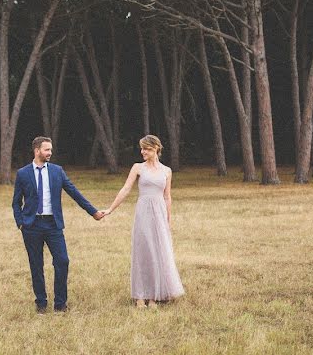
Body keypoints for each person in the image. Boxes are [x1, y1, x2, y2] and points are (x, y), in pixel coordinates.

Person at [12, 136, 104, 314]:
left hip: (53, 225)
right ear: (37, 150)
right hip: (31, 226)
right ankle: (41, 303)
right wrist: (21, 223)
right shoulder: (23, 173)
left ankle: (60, 305)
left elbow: (74, 193)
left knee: (62, 261)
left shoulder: (57, 171)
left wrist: (93, 212)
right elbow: (16, 202)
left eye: (51, 150)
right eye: (47, 150)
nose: (50, 153)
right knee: (36, 265)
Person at [100, 134, 185, 307]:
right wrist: (110, 209)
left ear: (156, 149)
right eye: (142, 148)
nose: (143, 152)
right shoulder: (138, 168)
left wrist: (168, 220)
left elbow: (167, 197)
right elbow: (125, 189)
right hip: (143, 212)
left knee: (158, 252)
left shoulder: (166, 171)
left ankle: (153, 296)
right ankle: (140, 296)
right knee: (143, 251)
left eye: (146, 148)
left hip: (160, 214)